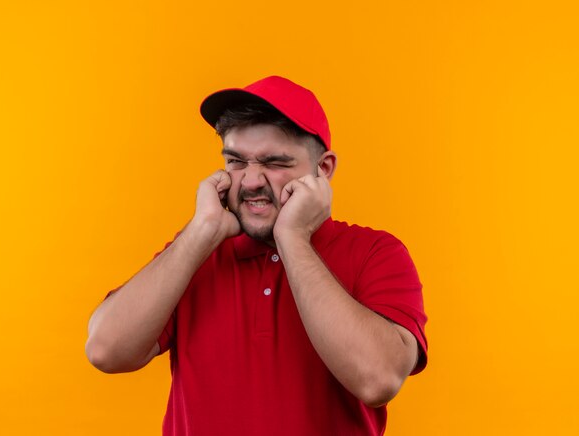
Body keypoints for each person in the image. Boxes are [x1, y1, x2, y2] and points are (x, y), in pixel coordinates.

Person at [86, 75, 428, 436]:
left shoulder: (376, 253)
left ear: (323, 169)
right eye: (236, 161)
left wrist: (293, 238)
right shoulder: (197, 251)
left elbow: (378, 380)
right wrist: (201, 231)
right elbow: (106, 351)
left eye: (274, 163)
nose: (250, 182)